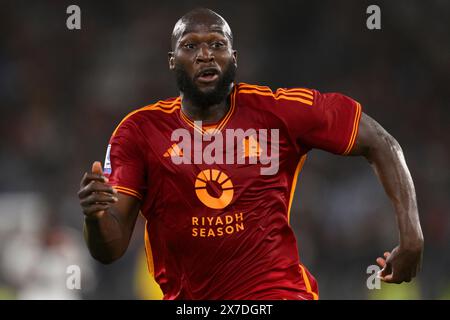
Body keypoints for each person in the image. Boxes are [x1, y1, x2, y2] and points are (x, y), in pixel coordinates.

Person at [78, 8, 424, 300]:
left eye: (217, 44)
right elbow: (110, 248)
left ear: (234, 58)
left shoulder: (278, 112)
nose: (205, 54)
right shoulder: (139, 131)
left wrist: (412, 237)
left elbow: (380, 141)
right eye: (190, 46)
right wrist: (95, 218)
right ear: (172, 61)